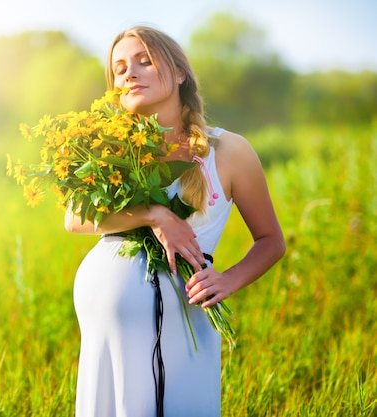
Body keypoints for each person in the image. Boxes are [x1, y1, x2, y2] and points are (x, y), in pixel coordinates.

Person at [64, 25, 286, 417]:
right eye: (119, 68)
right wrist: (154, 215)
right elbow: (74, 218)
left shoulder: (228, 150)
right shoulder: (110, 148)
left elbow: (271, 239)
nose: (129, 73)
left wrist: (228, 280)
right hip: (105, 328)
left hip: (183, 321)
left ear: (180, 72)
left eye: (144, 61)